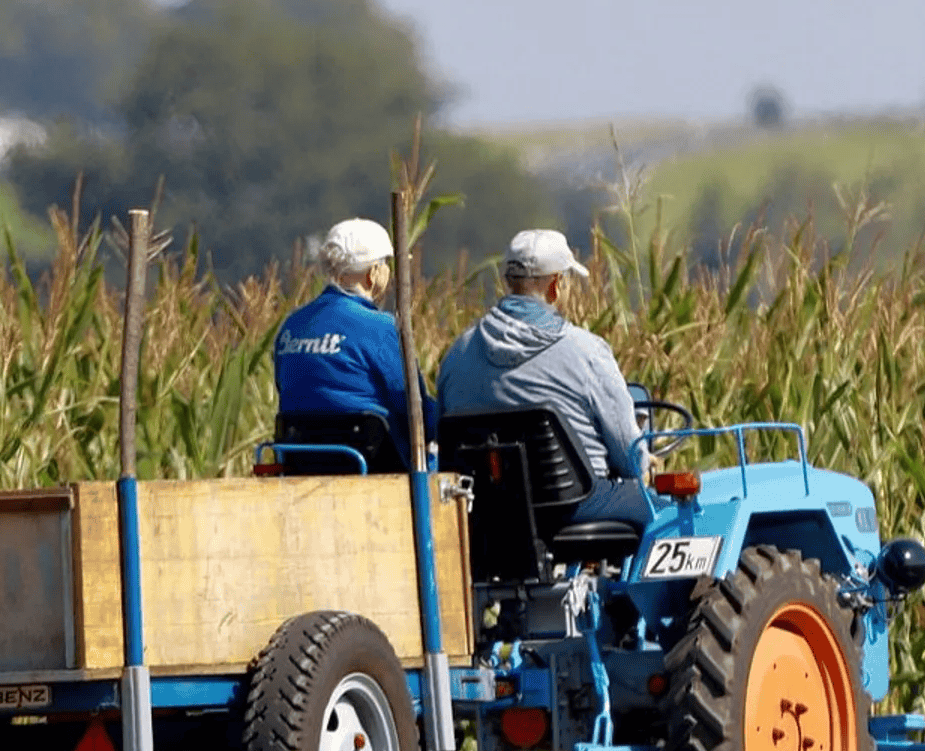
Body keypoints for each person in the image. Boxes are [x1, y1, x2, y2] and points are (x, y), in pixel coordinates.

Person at [437, 229, 652, 525]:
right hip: (573, 506)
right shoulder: (587, 351)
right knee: (664, 510)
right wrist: (644, 464)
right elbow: (629, 457)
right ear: (556, 285)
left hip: (488, 512)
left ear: (507, 282)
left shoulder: (457, 354)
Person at [273, 217, 436, 469]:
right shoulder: (380, 327)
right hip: (372, 465)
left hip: (300, 463)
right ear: (372, 274)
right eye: (386, 265)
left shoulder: (292, 325)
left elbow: (285, 388)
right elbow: (413, 407)